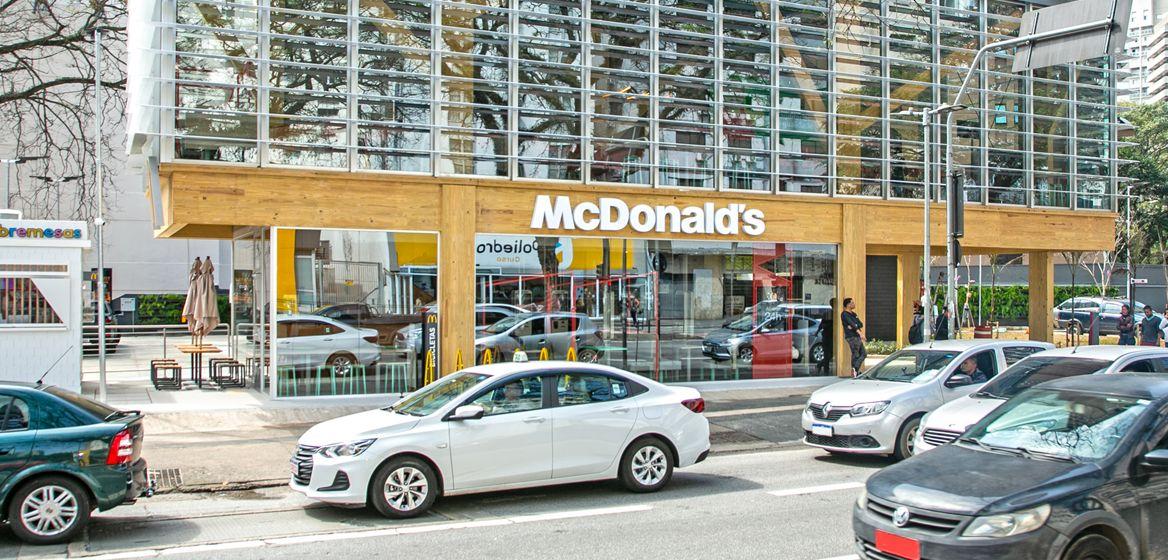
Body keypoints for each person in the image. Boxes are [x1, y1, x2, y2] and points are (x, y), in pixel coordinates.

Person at [841, 297, 866, 376]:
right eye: (852, 303)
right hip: (852, 336)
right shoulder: (844, 314)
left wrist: (854, 326)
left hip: (856, 336)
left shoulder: (854, 314)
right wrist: (859, 331)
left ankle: (855, 369)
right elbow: (852, 324)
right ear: (848, 305)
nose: (854, 304)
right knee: (856, 354)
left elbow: (860, 324)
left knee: (864, 354)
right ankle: (855, 371)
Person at [814, 299, 835, 375]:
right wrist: (817, 331)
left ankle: (820, 365)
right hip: (827, 335)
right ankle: (826, 370)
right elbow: (822, 323)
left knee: (831, 353)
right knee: (827, 353)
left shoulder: (835, 313)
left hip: (832, 335)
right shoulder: (828, 313)